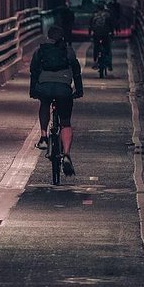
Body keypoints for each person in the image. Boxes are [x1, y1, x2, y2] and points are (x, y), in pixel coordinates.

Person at [30, 25, 83, 176]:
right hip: (63, 89)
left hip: (44, 87)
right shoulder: (68, 50)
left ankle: (44, 137)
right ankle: (66, 154)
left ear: (48, 37)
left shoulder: (40, 51)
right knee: (65, 121)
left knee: (44, 104)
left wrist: (33, 90)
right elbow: (76, 72)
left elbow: (33, 71)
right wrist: (79, 90)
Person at [89, 2, 115, 68]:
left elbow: (90, 25)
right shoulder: (107, 15)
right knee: (108, 48)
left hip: (96, 34)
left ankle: (95, 61)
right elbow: (111, 25)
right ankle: (109, 64)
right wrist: (112, 33)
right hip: (105, 34)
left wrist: (90, 34)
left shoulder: (94, 15)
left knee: (96, 47)